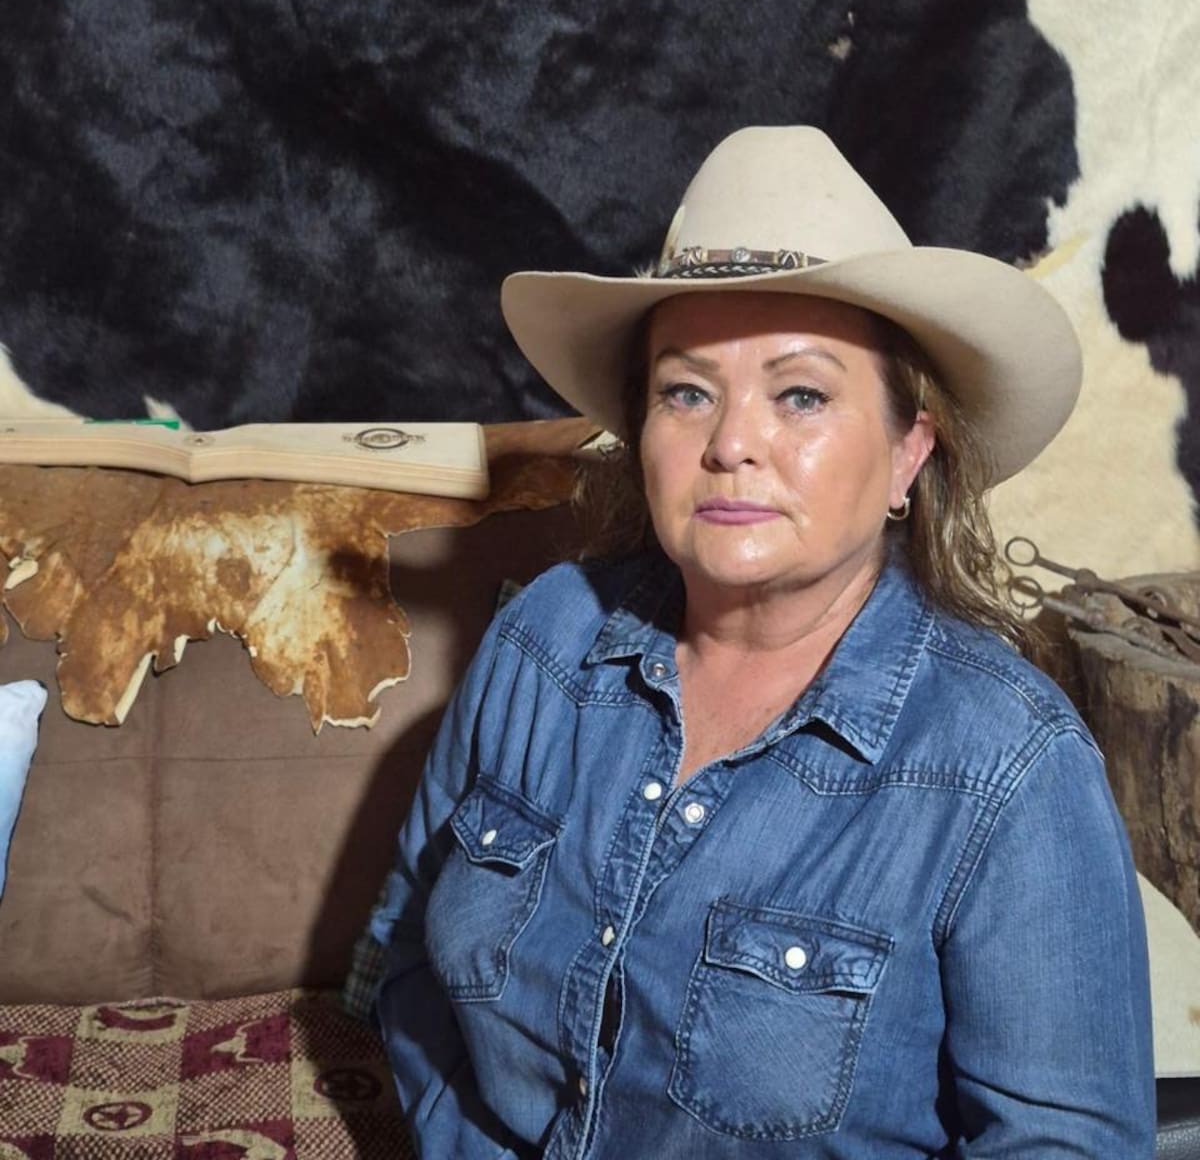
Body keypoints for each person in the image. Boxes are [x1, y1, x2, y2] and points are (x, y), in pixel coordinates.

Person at [371, 126, 1155, 1158]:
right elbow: (403, 958)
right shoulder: (542, 643)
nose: (731, 441)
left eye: (801, 394)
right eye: (686, 391)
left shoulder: (1008, 769)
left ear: (906, 456)